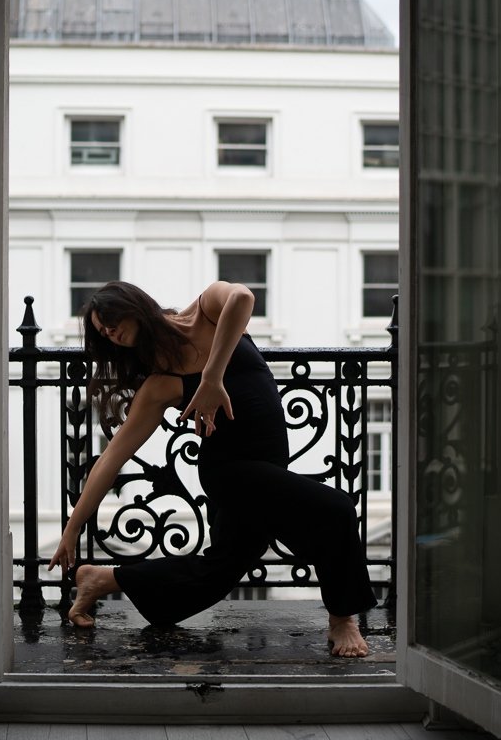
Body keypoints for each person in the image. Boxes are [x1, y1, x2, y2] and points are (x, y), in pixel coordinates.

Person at [47, 280, 376, 657]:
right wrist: (73, 527)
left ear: (132, 304)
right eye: (103, 333)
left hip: (269, 463)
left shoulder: (206, 311)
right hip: (230, 471)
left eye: (109, 320)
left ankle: (102, 579)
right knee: (336, 509)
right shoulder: (161, 383)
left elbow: (243, 297)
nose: (110, 333)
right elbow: (111, 458)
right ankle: (342, 620)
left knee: (217, 574)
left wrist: (211, 376)